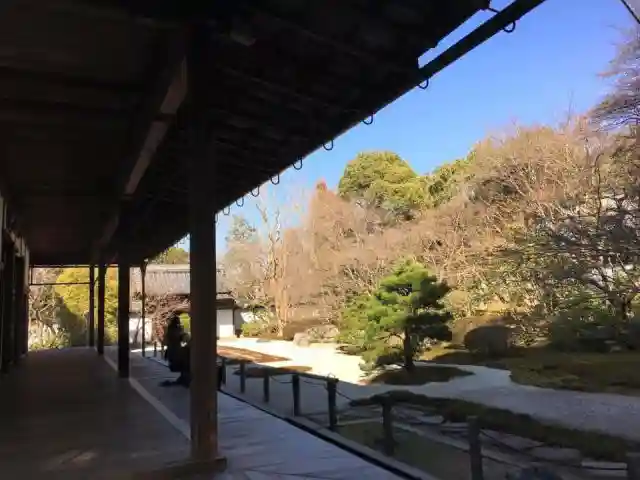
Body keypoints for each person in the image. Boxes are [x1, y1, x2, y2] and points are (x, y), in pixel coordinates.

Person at [160, 313, 190, 387]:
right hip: (176, 351)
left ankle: (183, 378)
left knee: (181, 363)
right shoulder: (178, 330)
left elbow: (164, 342)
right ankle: (184, 378)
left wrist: (163, 352)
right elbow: (185, 339)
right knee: (184, 363)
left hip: (171, 351)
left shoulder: (169, 330)